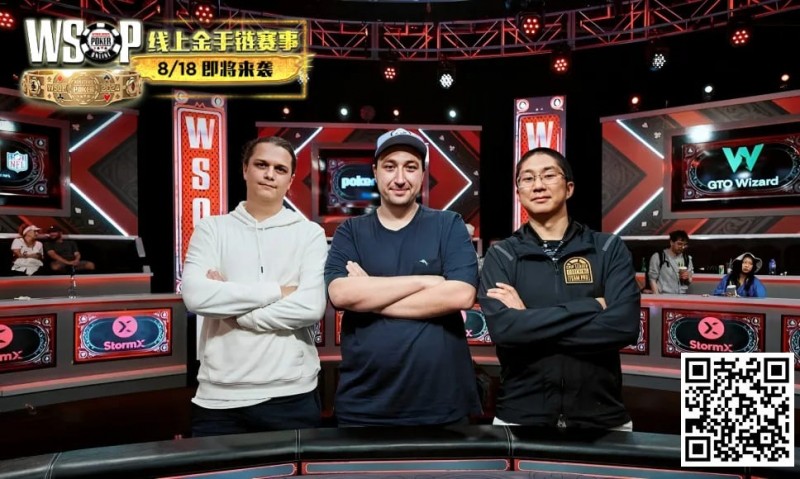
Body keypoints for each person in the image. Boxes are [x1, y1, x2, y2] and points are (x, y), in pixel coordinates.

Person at [324, 128, 481, 426]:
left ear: (422, 174)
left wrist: (369, 295)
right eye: (389, 166)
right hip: (364, 403)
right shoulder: (350, 231)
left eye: (410, 167)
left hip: (441, 401)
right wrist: (427, 281)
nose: (399, 178)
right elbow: (341, 294)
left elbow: (460, 295)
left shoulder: (449, 224)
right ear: (375, 172)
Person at [478, 147, 640, 430]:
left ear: (569, 188)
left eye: (548, 175)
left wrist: (527, 319)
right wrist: (592, 306)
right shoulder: (502, 255)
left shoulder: (607, 248)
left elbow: (623, 326)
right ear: (519, 192)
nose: (538, 185)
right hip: (520, 415)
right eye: (528, 178)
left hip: (602, 416)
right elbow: (505, 330)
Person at [181, 136, 328, 437]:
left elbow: (311, 307)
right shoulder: (211, 229)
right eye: (262, 165)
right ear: (245, 169)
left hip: (292, 394)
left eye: (280, 169)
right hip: (218, 397)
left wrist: (233, 312)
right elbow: (195, 296)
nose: (270, 174)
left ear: (290, 180)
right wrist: (278, 291)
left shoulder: (310, 234)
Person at [647, 230, 693, 294]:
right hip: (663, 295)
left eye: (684, 245)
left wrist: (687, 278)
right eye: (679, 244)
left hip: (681, 296)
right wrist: (657, 296)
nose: (682, 247)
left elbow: (689, 281)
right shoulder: (658, 256)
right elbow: (652, 279)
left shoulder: (687, 259)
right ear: (671, 242)